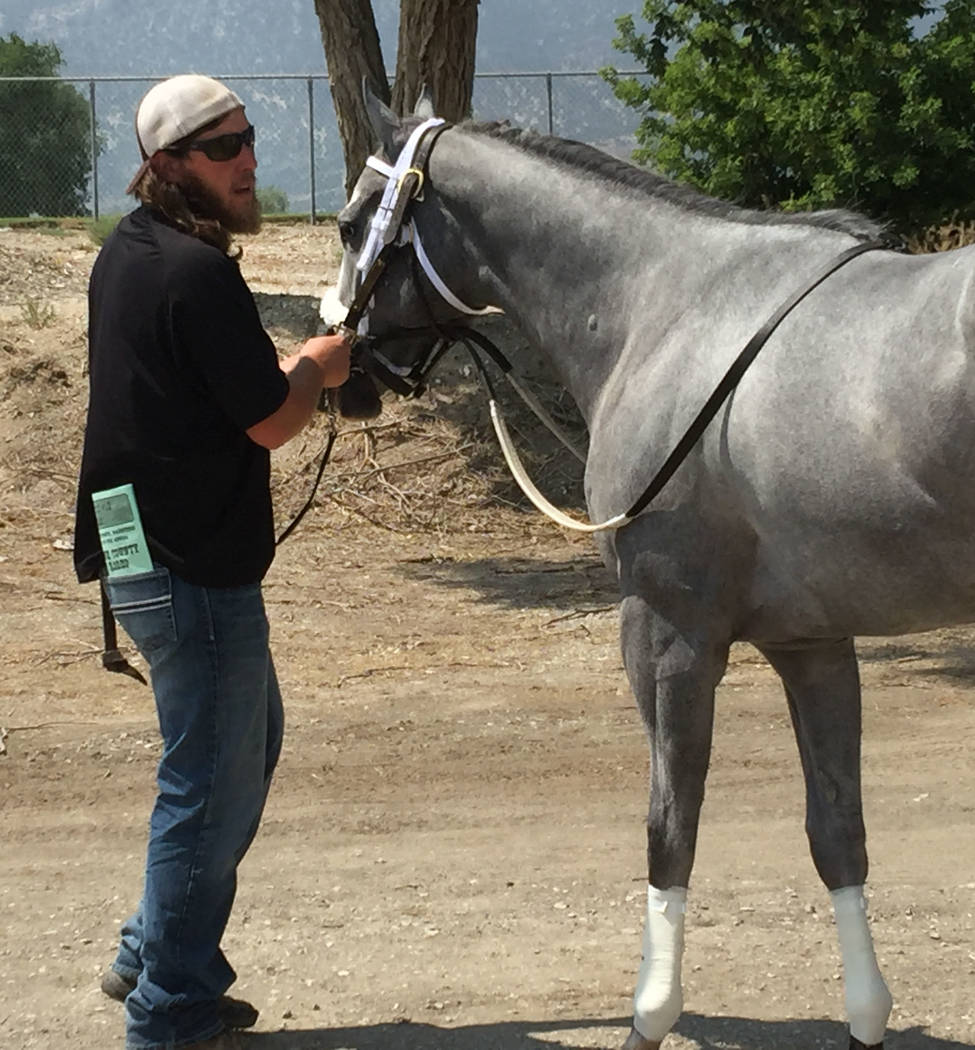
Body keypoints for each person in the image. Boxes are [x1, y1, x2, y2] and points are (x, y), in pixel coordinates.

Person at [73, 74, 351, 1050]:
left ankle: (155, 949)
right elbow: (272, 418)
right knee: (210, 777)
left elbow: (197, 389)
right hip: (187, 557)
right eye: (224, 145)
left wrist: (286, 372)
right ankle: (168, 1008)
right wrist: (321, 365)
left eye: (247, 139)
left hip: (130, 536)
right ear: (169, 166)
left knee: (245, 743)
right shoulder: (198, 273)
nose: (248, 159)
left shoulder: (130, 255)